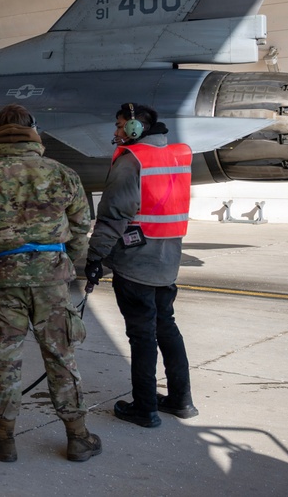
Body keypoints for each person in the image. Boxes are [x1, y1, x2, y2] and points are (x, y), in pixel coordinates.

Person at [0, 104, 101, 463]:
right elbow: (81, 227)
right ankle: (78, 437)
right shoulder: (62, 174)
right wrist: (62, 262)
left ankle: (3, 438)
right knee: (62, 356)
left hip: (1, 283)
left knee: (5, 359)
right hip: (51, 282)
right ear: (34, 129)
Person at [84, 103, 199, 428]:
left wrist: (95, 257)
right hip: (167, 261)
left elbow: (113, 216)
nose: (116, 132)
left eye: (120, 125)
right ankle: (180, 400)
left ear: (135, 128)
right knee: (166, 327)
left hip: (136, 264)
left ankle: (145, 408)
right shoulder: (176, 155)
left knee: (142, 336)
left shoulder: (132, 160)